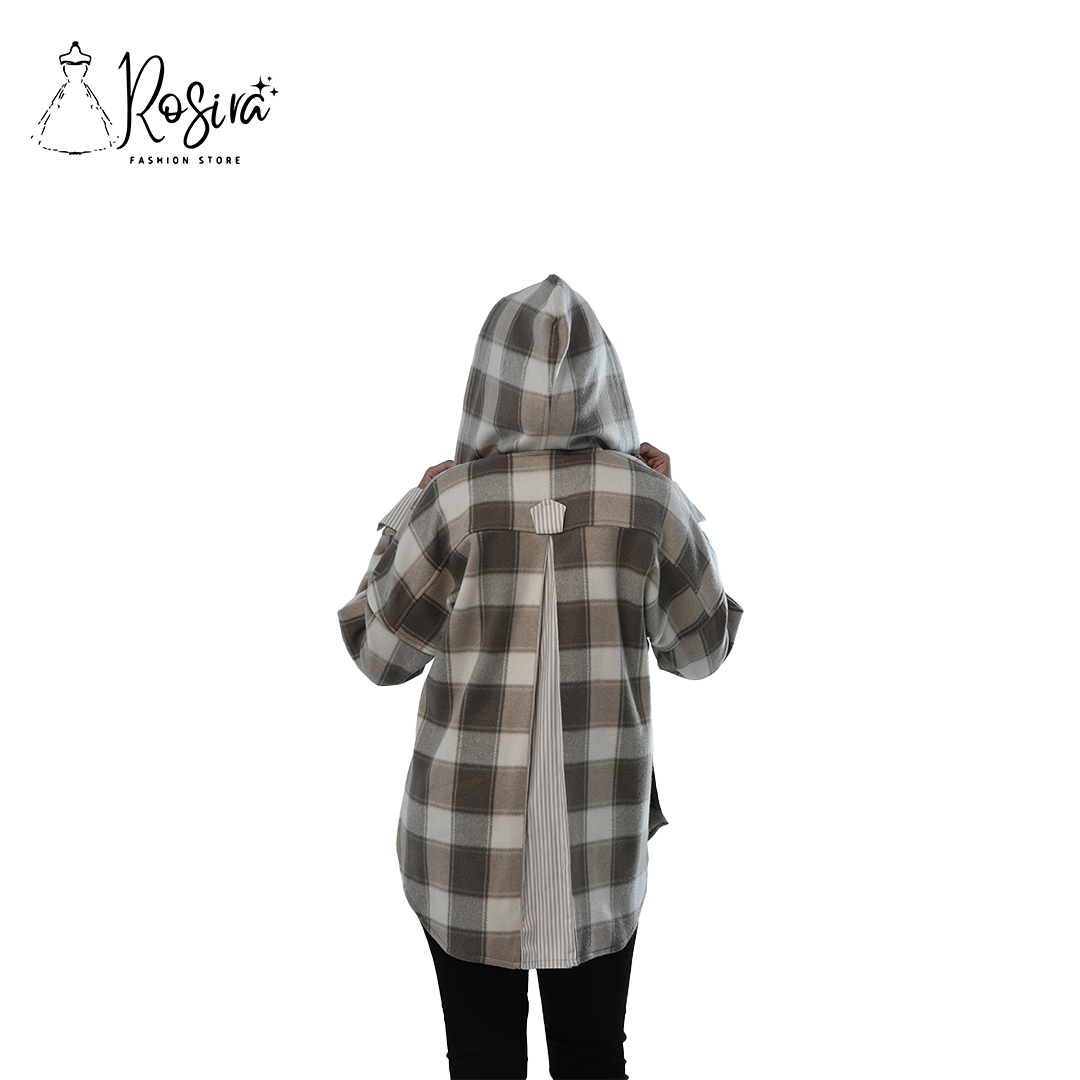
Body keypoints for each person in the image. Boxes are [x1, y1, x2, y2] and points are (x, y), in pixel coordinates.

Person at [338, 274, 742, 1078]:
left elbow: (379, 655)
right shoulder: (649, 502)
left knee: (481, 1060)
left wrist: (413, 505)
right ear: (605, 377)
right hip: (599, 847)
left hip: (460, 844)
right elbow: (701, 652)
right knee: (593, 1058)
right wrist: (675, 500)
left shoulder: (452, 504)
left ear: (487, 377)